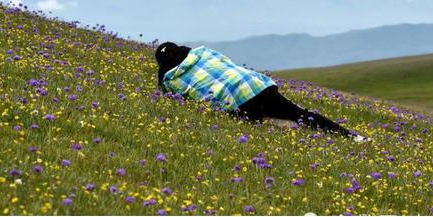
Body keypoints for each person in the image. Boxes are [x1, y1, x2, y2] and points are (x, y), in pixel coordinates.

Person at [155, 42, 370, 142]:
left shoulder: (170, 79)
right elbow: (227, 62)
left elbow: (180, 98)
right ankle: (353, 137)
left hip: (237, 100)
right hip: (256, 83)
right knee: (300, 114)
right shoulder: (203, 53)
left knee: (259, 128)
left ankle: (280, 123)